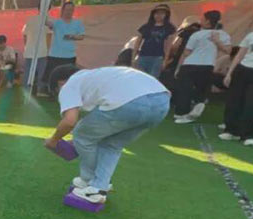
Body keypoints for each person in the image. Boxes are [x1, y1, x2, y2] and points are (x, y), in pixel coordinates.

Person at [44, 66, 170, 204]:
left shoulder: (70, 84)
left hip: (132, 103)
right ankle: (100, 185)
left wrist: (54, 140)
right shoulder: (96, 76)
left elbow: (70, 121)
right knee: (112, 145)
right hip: (162, 102)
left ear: (60, 84)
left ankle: (89, 181)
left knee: (81, 134)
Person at [221, 7, 253, 146]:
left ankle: (248, 135)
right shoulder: (252, 35)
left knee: (251, 103)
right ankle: (231, 131)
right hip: (242, 69)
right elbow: (239, 55)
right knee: (234, 101)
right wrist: (229, 73)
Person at [171, 10, 230, 124]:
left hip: (191, 65)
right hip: (206, 65)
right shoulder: (221, 35)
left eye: (202, 19)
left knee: (185, 89)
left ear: (207, 21)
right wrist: (218, 42)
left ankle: (182, 112)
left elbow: (186, 52)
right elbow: (227, 50)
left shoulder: (198, 34)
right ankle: (197, 104)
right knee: (199, 88)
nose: (200, 21)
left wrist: (178, 67)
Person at [39, 1, 85, 97]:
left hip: (69, 55)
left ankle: (68, 93)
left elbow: (82, 36)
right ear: (63, 10)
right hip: (55, 54)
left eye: (71, 10)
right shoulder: (56, 22)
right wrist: (44, 10)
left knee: (69, 77)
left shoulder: (78, 22)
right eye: (67, 10)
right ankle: (50, 92)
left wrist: (71, 36)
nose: (69, 12)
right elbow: (45, 22)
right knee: (51, 75)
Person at [133, 3, 177, 78]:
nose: (159, 15)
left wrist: (165, 60)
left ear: (166, 15)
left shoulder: (169, 28)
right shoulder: (146, 26)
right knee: (140, 77)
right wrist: (133, 57)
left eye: (162, 13)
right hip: (143, 56)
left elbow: (168, 45)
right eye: (156, 13)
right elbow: (138, 42)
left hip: (158, 57)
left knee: (153, 78)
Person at [160, 16, 202, 88]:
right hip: (197, 61)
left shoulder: (184, 32)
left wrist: (169, 56)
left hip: (180, 58)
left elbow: (175, 46)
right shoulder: (201, 33)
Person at [22, 13, 50, 90]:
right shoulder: (48, 21)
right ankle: (40, 89)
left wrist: (26, 47)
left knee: (28, 72)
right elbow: (49, 37)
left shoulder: (30, 19)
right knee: (42, 72)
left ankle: (26, 89)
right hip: (42, 51)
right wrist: (48, 50)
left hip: (30, 51)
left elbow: (24, 36)